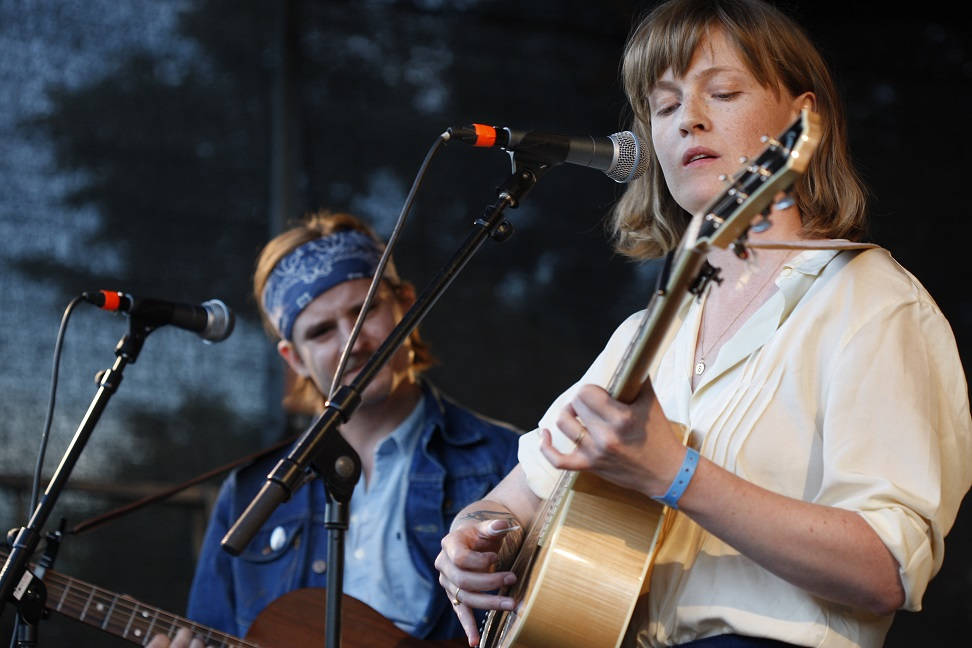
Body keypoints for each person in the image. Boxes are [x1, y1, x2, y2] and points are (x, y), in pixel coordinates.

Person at [433, 1, 972, 647]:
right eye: (663, 106)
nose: (688, 119)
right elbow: (514, 499)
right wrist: (475, 539)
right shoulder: (642, 335)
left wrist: (675, 474)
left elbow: (888, 568)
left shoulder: (873, 304)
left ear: (805, 122)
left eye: (723, 91)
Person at [148, 210, 521, 648]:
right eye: (322, 331)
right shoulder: (252, 494)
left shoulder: (510, 462)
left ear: (406, 304)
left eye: (364, 311)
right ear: (294, 359)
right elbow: (215, 629)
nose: (352, 341)